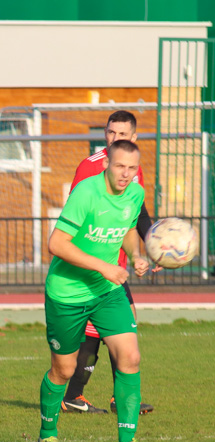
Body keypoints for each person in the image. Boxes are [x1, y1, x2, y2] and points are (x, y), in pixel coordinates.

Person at [38, 139, 157, 442]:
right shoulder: (86, 193)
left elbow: (129, 228)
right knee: (63, 370)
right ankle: (48, 435)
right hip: (67, 294)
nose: (126, 174)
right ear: (107, 163)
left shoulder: (135, 193)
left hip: (106, 291)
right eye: (120, 166)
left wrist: (135, 256)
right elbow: (56, 244)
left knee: (130, 357)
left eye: (132, 169)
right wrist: (106, 266)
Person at [61, 111, 155, 416]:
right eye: (112, 133)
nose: (117, 139)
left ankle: (82, 395)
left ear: (134, 137)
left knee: (116, 325)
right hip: (94, 264)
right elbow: (74, 217)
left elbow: (137, 213)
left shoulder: (132, 168)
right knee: (115, 325)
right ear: (105, 134)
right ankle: (85, 394)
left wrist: (153, 247)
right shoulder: (90, 167)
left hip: (116, 264)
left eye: (123, 134)